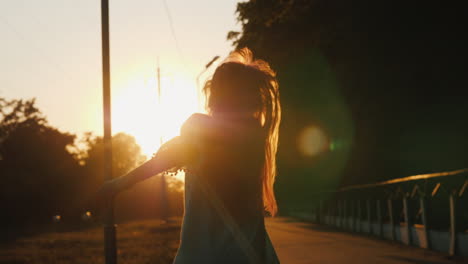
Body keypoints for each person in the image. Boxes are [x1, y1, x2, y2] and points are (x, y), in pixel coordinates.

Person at [97, 48, 281, 263]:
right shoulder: (255, 139)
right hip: (250, 256)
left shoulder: (200, 131)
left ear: (216, 94)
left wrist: (118, 184)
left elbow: (162, 161)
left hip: (205, 256)